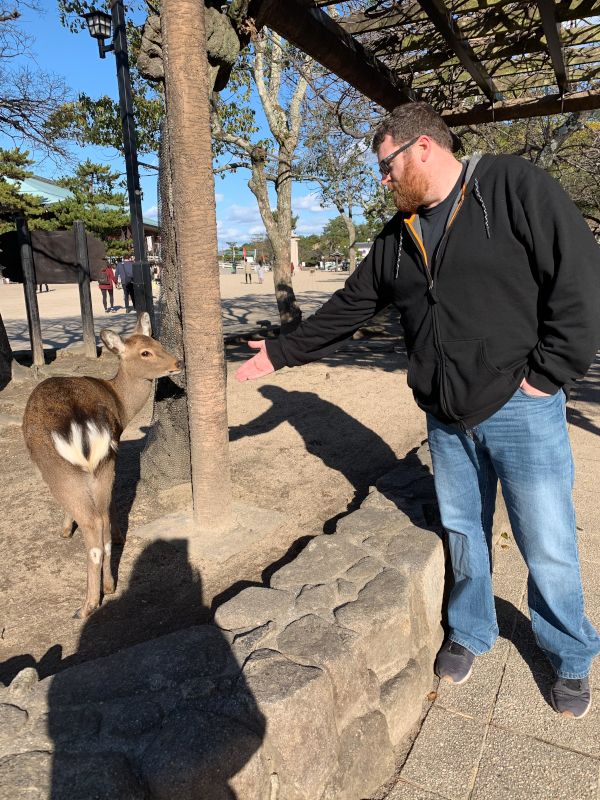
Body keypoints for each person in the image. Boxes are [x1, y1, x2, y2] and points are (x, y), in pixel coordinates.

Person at [235, 101, 600, 719]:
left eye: (386, 166)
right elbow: (351, 305)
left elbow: (580, 277)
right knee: (462, 531)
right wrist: (280, 351)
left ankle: (569, 656)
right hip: (446, 416)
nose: (382, 180)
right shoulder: (396, 238)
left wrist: (547, 376)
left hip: (522, 407)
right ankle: (472, 630)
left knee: (549, 543)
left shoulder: (512, 187)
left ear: (422, 147)